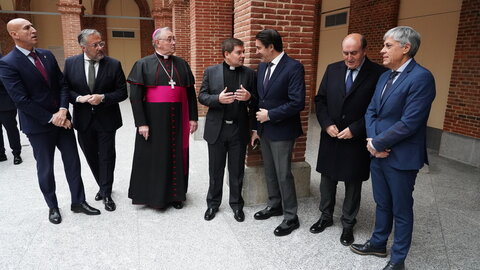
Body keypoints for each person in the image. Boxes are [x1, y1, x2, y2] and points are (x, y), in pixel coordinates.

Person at [350, 26, 436, 270]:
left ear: (405, 48)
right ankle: (378, 243)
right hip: (377, 152)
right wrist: (373, 143)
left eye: (388, 46)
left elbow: (410, 122)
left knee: (401, 209)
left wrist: (378, 142)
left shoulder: (422, 77)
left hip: (401, 157)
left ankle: (398, 261)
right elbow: (371, 111)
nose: (382, 50)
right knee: (382, 202)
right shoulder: (384, 76)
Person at [0, 18, 100, 224]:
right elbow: (21, 100)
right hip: (38, 127)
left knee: (73, 162)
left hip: (63, 121)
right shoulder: (8, 63)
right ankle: (52, 206)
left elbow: (62, 85)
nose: (34, 30)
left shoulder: (46, 55)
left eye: (33, 26)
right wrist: (51, 118)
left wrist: (63, 110)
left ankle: (78, 202)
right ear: (14, 34)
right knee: (45, 168)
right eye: (27, 28)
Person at [312, 34, 386, 246]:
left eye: (353, 53)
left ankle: (348, 223)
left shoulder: (378, 74)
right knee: (327, 179)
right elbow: (321, 100)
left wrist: (356, 129)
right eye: (345, 52)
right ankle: (325, 216)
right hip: (331, 135)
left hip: (356, 139)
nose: (349, 57)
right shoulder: (332, 69)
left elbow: (378, 109)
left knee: (353, 183)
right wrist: (326, 124)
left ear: (364, 51)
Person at [127, 27, 198, 209]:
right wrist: (141, 123)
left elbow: (190, 93)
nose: (174, 42)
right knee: (156, 156)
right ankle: (155, 197)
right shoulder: (143, 64)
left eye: (174, 38)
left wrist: (193, 118)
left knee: (176, 155)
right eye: (170, 39)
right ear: (158, 42)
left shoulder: (182, 64)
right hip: (153, 119)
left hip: (178, 117)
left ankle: (176, 196)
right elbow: (135, 97)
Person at [64, 29, 128, 212]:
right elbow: (65, 89)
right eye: (96, 45)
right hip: (83, 120)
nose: (101, 47)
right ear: (83, 47)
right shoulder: (70, 64)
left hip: (107, 119)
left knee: (107, 156)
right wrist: (78, 99)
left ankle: (107, 193)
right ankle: (102, 184)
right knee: (91, 155)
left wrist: (104, 97)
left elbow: (122, 92)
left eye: (101, 43)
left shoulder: (114, 64)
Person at [251, 29, 305, 236]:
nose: (257, 52)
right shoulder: (262, 66)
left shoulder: (294, 67)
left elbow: (297, 102)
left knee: (283, 174)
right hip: (265, 130)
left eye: (258, 48)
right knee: (270, 172)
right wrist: (257, 127)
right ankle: (275, 205)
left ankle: (291, 217)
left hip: (282, 130)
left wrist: (271, 115)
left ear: (271, 47)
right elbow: (259, 99)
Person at [198, 38, 257, 222]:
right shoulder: (211, 71)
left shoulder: (249, 74)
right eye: (239, 52)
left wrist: (249, 97)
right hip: (217, 129)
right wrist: (218, 99)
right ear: (226, 54)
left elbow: (257, 101)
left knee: (236, 170)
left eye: (243, 52)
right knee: (215, 170)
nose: (243, 55)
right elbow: (202, 96)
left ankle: (237, 206)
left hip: (238, 130)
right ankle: (212, 204)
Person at [0, 53, 22, 165]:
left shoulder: (4, 62)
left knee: (11, 129)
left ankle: (16, 153)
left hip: (5, 104)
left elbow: (8, 82)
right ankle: (1, 154)